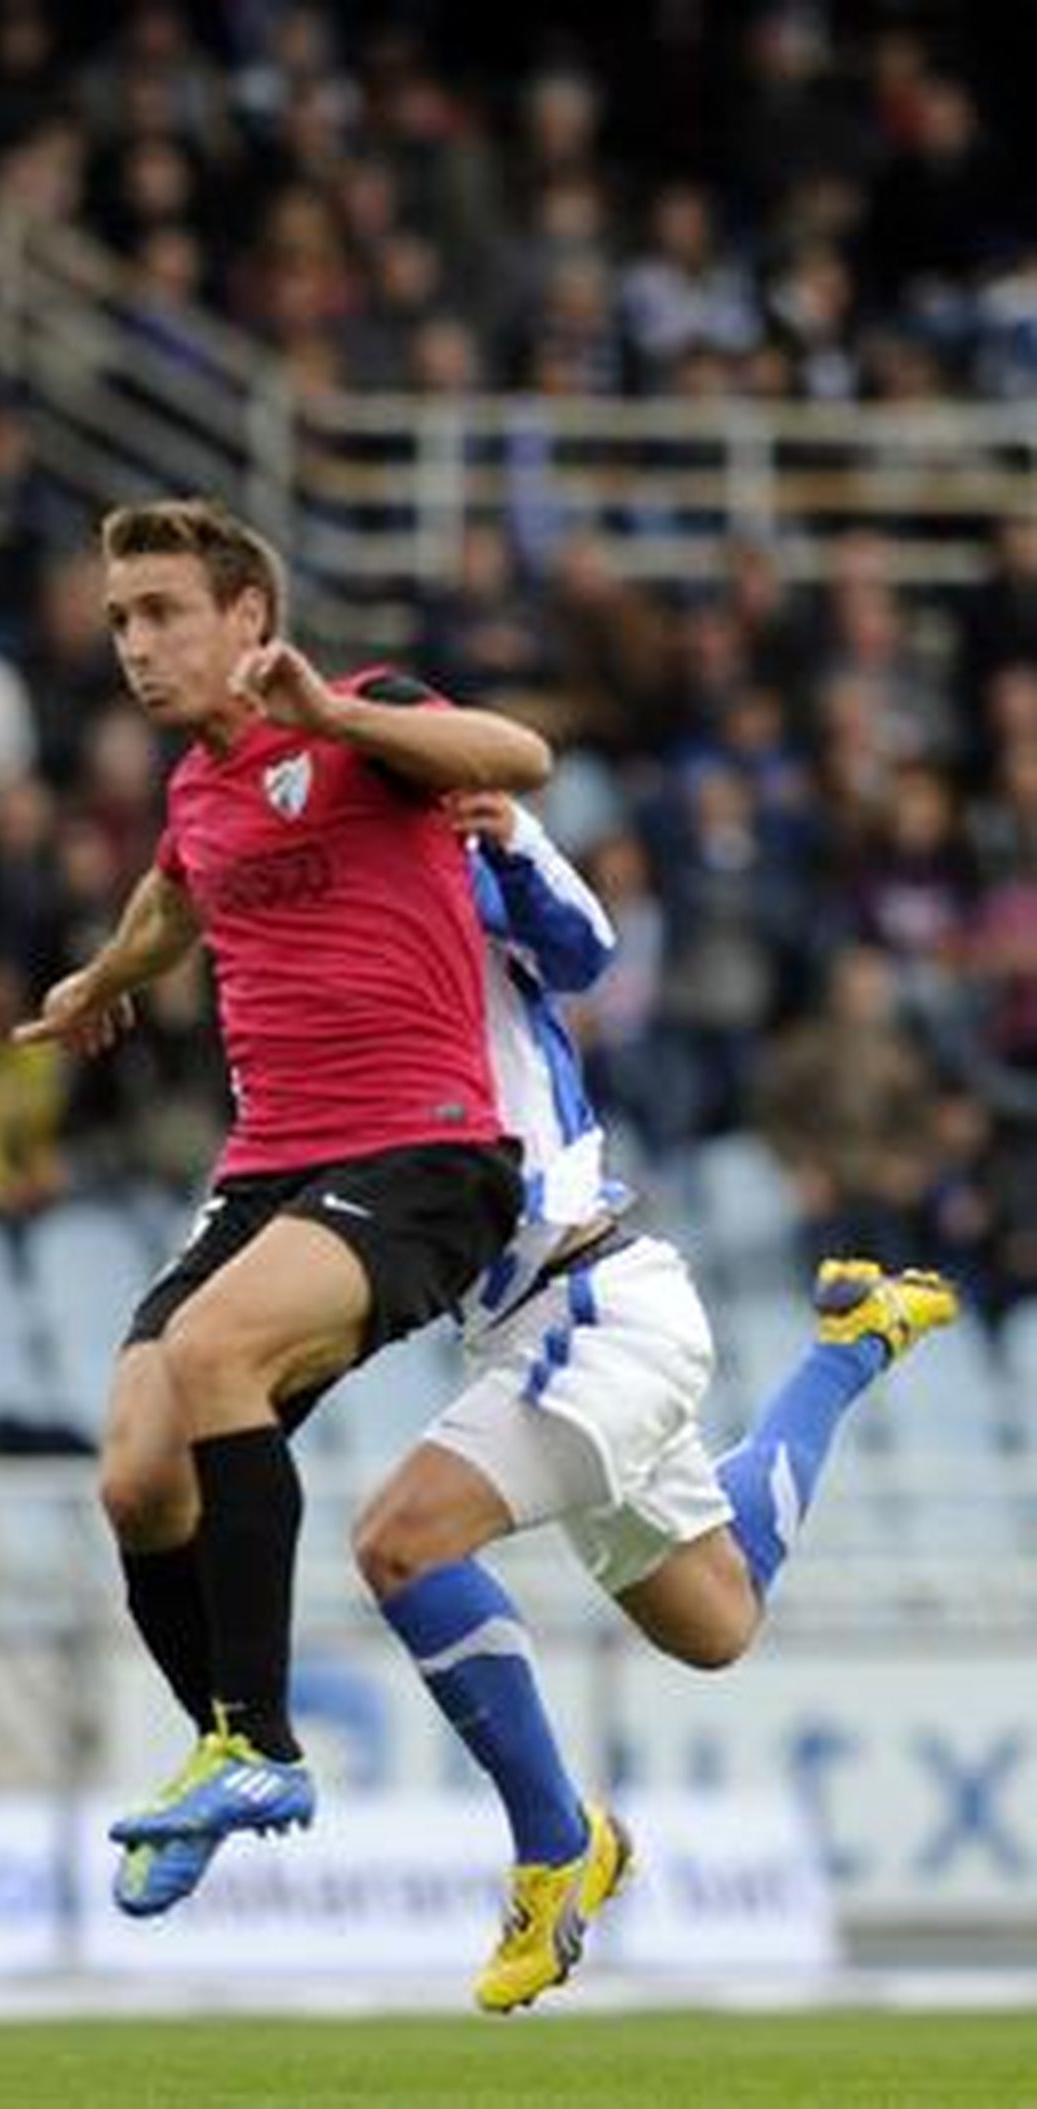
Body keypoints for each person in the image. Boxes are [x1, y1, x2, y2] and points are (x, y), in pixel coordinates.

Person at [13, 497, 552, 1910]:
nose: (135, 644)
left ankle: (259, 1741)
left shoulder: (365, 716)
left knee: (211, 1357)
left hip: (426, 1157)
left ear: (248, 616)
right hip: (271, 1171)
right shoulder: (195, 790)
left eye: (164, 612)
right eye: (121, 618)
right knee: (136, 1469)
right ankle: (223, 1745)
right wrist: (101, 980)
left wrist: (345, 717)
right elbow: (176, 898)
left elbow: (522, 755)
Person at [349, 793, 958, 2013]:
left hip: (588, 1310)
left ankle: (554, 1843)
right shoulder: (338, 993)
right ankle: (849, 1346)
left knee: (401, 1543)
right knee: (716, 1620)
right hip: (544, 1335)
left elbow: (587, 949)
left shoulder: (463, 894)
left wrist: (509, 826)